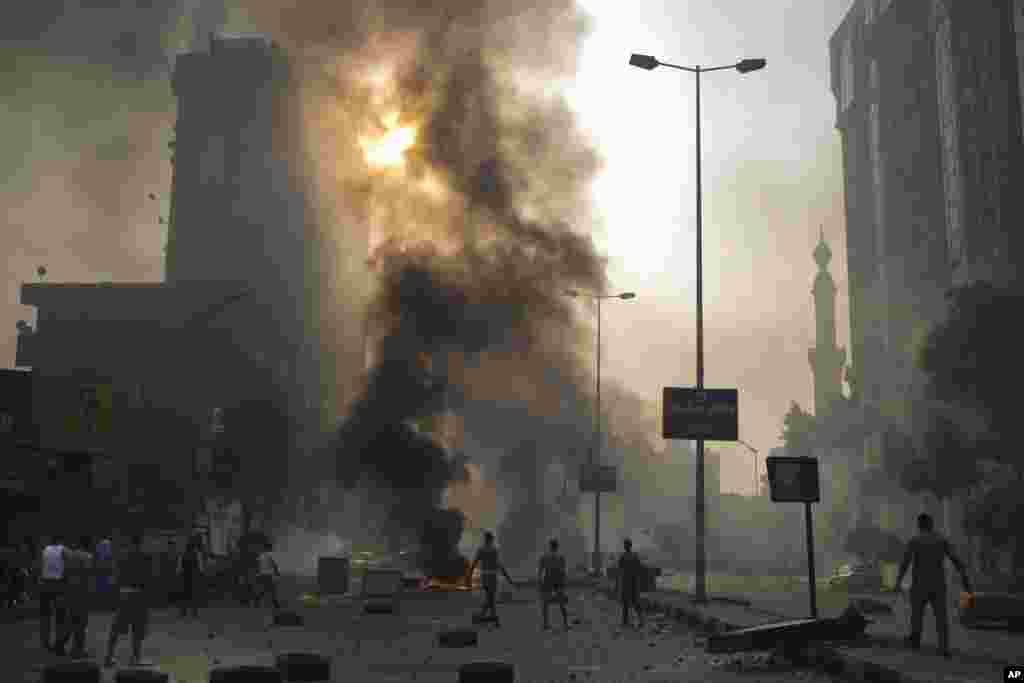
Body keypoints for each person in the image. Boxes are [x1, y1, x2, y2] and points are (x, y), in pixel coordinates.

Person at [891, 513, 971, 659]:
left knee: (917, 616)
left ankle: (915, 641)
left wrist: (898, 582)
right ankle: (944, 648)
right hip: (938, 584)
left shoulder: (915, 541)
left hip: (919, 584)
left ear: (919, 525)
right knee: (941, 617)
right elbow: (955, 559)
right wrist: (964, 576)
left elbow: (905, 563)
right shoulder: (941, 540)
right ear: (931, 524)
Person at [104, 534, 154, 668]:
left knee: (116, 628)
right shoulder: (144, 557)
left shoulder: (122, 556)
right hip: (138, 594)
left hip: (124, 594)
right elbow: (147, 578)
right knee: (137, 629)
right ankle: (135, 658)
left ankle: (108, 657)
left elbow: (117, 576)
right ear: (141, 543)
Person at [55, 536, 93, 658]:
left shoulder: (70, 555)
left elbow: (64, 573)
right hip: (82, 592)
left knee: (71, 620)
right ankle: (78, 650)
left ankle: (60, 644)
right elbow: (87, 574)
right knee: (81, 623)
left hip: (70, 591)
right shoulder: (88, 556)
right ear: (88, 545)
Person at [466, 531, 516, 620]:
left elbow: (474, 563)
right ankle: (489, 616)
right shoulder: (494, 550)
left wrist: (469, 575)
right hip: (492, 576)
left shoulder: (481, 550)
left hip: (485, 576)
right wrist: (507, 577)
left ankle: (488, 616)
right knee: (491, 597)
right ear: (491, 539)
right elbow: (499, 565)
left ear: (485, 539)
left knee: (490, 597)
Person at [39, 534, 68, 652]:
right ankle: (59, 642)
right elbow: (67, 566)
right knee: (60, 616)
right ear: (60, 541)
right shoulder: (63, 549)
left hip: (45, 583)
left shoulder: (45, 550)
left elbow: (41, 566)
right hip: (58, 583)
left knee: (45, 615)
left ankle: (45, 642)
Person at [537, 538, 569, 631]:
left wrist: (539, 581)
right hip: (558, 580)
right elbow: (563, 572)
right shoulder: (561, 557)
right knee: (561, 603)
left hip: (548, 580)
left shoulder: (544, 557)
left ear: (550, 546)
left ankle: (545, 624)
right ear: (557, 547)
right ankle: (565, 623)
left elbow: (540, 571)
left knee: (545, 603)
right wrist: (564, 584)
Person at [617, 538, 645, 629]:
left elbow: (620, 570)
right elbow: (639, 568)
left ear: (626, 546)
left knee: (627, 603)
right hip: (633, 582)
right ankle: (640, 620)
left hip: (627, 582)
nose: (626, 546)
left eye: (626, 545)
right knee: (635, 603)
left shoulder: (623, 557)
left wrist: (619, 583)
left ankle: (626, 622)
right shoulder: (634, 556)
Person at [178, 534, 206, 618]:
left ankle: (183, 612)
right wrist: (201, 574)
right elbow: (201, 568)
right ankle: (194, 613)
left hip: (185, 576)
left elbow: (179, 568)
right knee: (194, 595)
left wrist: (180, 574)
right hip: (194, 576)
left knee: (184, 595)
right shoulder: (197, 554)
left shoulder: (182, 554)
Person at [253, 540, 281, 610]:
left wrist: (257, 573)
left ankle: (257, 600)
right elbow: (274, 565)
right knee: (271, 590)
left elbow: (257, 565)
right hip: (268, 575)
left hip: (262, 575)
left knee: (266, 589)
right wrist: (277, 573)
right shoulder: (270, 555)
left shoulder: (260, 555)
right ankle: (275, 604)